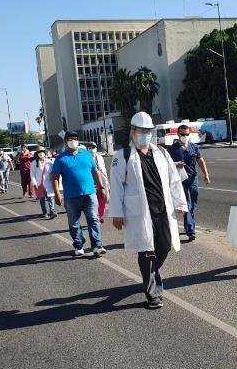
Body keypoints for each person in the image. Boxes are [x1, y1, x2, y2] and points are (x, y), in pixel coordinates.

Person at [109, 112, 188, 309]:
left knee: (164, 246)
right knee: (147, 252)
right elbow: (116, 186)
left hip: (162, 209)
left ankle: (150, 274)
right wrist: (117, 213)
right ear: (133, 132)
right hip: (140, 212)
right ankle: (153, 294)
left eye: (148, 131)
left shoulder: (161, 153)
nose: (145, 134)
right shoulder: (123, 156)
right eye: (141, 131)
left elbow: (174, 179)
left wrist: (180, 203)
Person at [52, 131, 109, 257]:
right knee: (74, 223)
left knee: (94, 219)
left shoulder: (86, 155)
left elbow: (95, 171)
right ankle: (79, 245)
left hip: (89, 194)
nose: (73, 141)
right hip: (71, 196)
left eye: (75, 138)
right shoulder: (60, 158)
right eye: (70, 139)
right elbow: (55, 177)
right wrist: (57, 194)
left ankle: (97, 245)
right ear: (65, 141)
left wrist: (101, 187)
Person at [167, 124, 211, 241]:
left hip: (193, 180)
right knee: (187, 204)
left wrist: (206, 174)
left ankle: (188, 226)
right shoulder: (172, 150)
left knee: (192, 205)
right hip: (180, 181)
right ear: (178, 134)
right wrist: (176, 165)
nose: (185, 136)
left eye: (187, 134)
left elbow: (200, 161)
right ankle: (191, 231)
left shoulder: (194, 147)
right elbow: (165, 166)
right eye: (183, 134)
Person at [30, 149, 57, 219]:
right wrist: (34, 183)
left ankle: (52, 212)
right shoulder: (34, 163)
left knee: (50, 198)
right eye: (39, 152)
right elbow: (32, 174)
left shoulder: (49, 162)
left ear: (45, 154)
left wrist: (52, 177)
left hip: (48, 183)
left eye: (42, 152)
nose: (41, 154)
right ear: (37, 154)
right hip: (39, 184)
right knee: (42, 199)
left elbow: (54, 171)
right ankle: (44, 212)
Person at [87, 143, 109, 223]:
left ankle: (100, 215)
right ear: (88, 149)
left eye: (93, 147)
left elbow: (104, 170)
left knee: (103, 199)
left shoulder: (100, 157)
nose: (92, 149)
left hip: (102, 182)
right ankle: (96, 217)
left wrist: (107, 183)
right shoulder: (86, 158)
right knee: (93, 201)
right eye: (90, 147)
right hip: (91, 183)